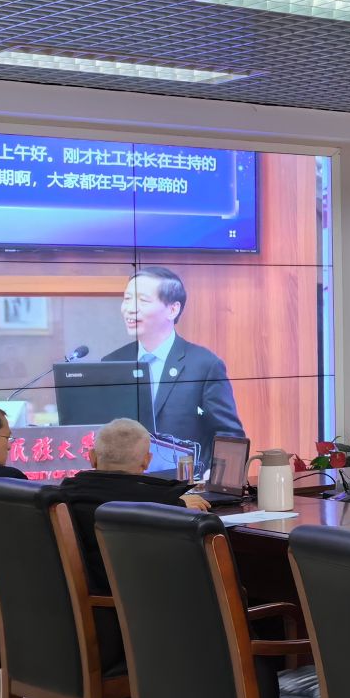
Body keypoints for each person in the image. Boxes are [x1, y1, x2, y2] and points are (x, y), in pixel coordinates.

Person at [57, 418, 208, 671]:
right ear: (147, 461)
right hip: (138, 631)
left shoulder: (61, 497)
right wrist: (180, 505)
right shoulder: (163, 506)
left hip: (70, 628)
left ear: (92, 457)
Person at [101, 266, 242, 466]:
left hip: (184, 482)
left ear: (173, 309)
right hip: (123, 481)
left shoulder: (204, 365)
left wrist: (213, 477)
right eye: (127, 298)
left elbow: (230, 435)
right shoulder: (112, 363)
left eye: (142, 300)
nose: (130, 308)